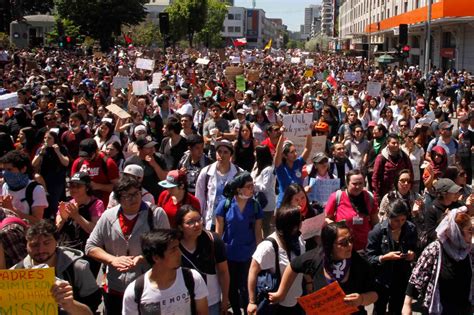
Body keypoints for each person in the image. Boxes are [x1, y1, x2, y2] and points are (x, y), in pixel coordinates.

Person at [85, 176, 170, 314]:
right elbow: (90, 246)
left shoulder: (156, 215)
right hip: (115, 289)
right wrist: (112, 260)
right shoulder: (108, 217)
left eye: (136, 193)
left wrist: (141, 258)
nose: (134, 199)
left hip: (148, 288)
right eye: (128, 196)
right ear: (119, 198)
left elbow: (167, 247)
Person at [268, 222, 378, 314]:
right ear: (329, 245)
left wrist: (361, 299)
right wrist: (281, 293)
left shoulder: (361, 264)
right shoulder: (316, 257)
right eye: (343, 242)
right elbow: (292, 266)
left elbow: (375, 294)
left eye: (351, 239)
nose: (349, 245)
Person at [13, 220, 102, 314]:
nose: (40, 249)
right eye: (34, 245)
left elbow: (91, 310)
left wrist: (70, 304)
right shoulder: (16, 273)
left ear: (56, 242)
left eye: (47, 243)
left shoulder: (77, 268)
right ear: (26, 246)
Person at [122, 229, 209, 315]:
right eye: (173, 249)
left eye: (178, 247)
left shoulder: (193, 278)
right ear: (156, 258)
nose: (179, 253)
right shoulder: (135, 291)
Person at [402, 208, 472, 314]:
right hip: (439, 309)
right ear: (456, 232)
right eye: (470, 230)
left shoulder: (469, 250)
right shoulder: (435, 249)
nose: (472, 234)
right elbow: (417, 277)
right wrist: (407, 305)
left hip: (463, 308)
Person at [215, 172, 263, 315]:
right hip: (229, 255)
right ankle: (236, 311)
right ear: (238, 189)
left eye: (252, 185)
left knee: (247, 287)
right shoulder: (225, 204)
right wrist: (218, 255)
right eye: (248, 186)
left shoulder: (255, 206)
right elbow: (218, 232)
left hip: (248, 254)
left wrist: (260, 255)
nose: (252, 189)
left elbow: (258, 232)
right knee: (231, 286)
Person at [247, 206, 305, 315]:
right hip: (277, 306)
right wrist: (252, 302)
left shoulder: (298, 239)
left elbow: (301, 263)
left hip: (297, 300)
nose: (303, 222)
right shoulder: (269, 247)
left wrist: (309, 282)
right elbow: (252, 271)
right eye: (301, 220)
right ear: (293, 226)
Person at [366, 199, 418, 314]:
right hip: (382, 280)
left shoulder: (410, 229)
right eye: (396, 220)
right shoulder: (377, 231)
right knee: (379, 309)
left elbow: (416, 249)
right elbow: (370, 258)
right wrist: (384, 257)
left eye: (403, 220)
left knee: (397, 309)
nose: (400, 224)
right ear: (389, 217)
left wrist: (412, 254)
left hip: (401, 278)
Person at [177, 205, 230, 315]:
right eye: (190, 222)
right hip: (184, 304)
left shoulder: (213, 240)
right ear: (180, 227)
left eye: (199, 220)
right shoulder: (174, 247)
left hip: (211, 301)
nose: (197, 225)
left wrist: (225, 299)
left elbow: (223, 271)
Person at [55, 172, 104, 276]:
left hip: (87, 254)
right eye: (72, 185)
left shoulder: (97, 204)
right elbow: (56, 230)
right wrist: (63, 218)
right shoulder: (66, 204)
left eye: (78, 186)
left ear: (87, 187)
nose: (74, 188)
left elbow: (94, 230)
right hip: (67, 252)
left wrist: (76, 216)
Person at [325, 169, 379, 251]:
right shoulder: (336, 197)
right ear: (347, 183)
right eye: (354, 184)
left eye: (361, 183)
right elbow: (326, 218)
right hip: (343, 246)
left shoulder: (369, 197)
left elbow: (375, 222)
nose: (358, 187)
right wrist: (337, 226)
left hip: (365, 246)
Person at [195, 140, 242, 230]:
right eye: (219, 151)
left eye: (225, 152)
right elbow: (199, 198)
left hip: (231, 220)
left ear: (230, 155)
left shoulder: (239, 173)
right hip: (211, 220)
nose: (222, 155)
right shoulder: (206, 172)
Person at [0, 150, 48, 223]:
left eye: (9, 169)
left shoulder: (36, 190)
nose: (5, 173)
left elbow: (37, 221)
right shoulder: (5, 186)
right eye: (4, 170)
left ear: (23, 169)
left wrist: (12, 209)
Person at [32, 130, 69, 219]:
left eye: (49, 138)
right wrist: (41, 153)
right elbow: (33, 164)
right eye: (45, 138)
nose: (46, 140)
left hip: (57, 180)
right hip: (43, 180)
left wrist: (58, 152)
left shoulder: (61, 148)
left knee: (54, 202)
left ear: (54, 139)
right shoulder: (41, 149)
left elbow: (66, 162)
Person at [71, 138, 120, 205]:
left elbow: (117, 187)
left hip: (103, 204)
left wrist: (98, 186)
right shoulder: (78, 163)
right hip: (82, 204)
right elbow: (73, 185)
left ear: (96, 151)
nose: (86, 158)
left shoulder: (108, 163)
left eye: (89, 156)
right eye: (83, 155)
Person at [274, 126, 312, 208]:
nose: (295, 154)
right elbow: (278, 153)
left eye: (295, 151)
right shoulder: (280, 168)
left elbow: (308, 149)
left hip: (299, 204)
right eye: (292, 152)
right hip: (284, 205)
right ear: (285, 155)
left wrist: (309, 132)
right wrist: (282, 136)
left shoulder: (298, 163)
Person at [123, 135, 168, 200]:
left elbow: (164, 178)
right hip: (138, 197)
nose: (152, 149)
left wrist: (154, 164)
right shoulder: (130, 162)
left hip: (157, 197)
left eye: (153, 146)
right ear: (139, 148)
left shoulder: (159, 158)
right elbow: (126, 182)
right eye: (148, 147)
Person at [372, 133, 413, 202]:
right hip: (385, 193)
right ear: (388, 143)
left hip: (402, 192)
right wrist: (376, 195)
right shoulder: (381, 158)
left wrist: (409, 188)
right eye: (393, 143)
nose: (396, 145)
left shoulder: (404, 156)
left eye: (397, 143)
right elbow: (375, 177)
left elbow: (410, 172)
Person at [422, 178, 464, 245]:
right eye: (454, 192)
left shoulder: (458, 205)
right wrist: (443, 221)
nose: (457, 194)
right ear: (444, 194)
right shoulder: (432, 210)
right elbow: (431, 234)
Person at [251, 145, 276, 237]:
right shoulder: (256, 165)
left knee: (265, 226)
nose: (254, 154)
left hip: (267, 203)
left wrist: (253, 185)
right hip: (256, 201)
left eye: (256, 152)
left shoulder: (268, 170)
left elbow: (265, 187)